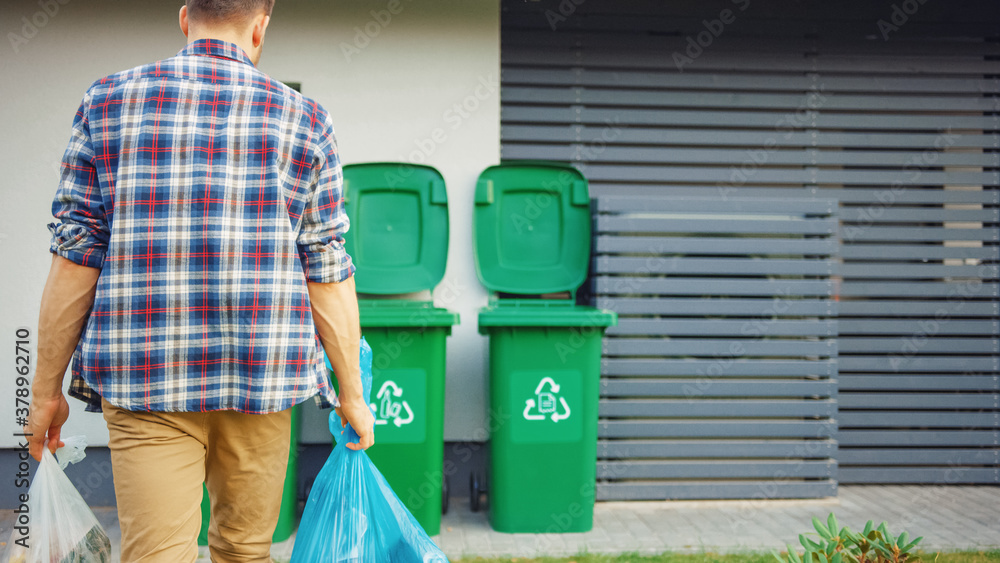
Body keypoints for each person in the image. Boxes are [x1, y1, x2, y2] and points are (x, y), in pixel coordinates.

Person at [24, 1, 376, 561]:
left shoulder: (107, 101)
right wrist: (352, 393)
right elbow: (326, 267)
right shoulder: (307, 119)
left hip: (145, 375)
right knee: (243, 550)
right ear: (261, 25)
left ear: (185, 18)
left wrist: (43, 391)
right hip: (261, 378)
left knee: (158, 554)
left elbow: (75, 254)